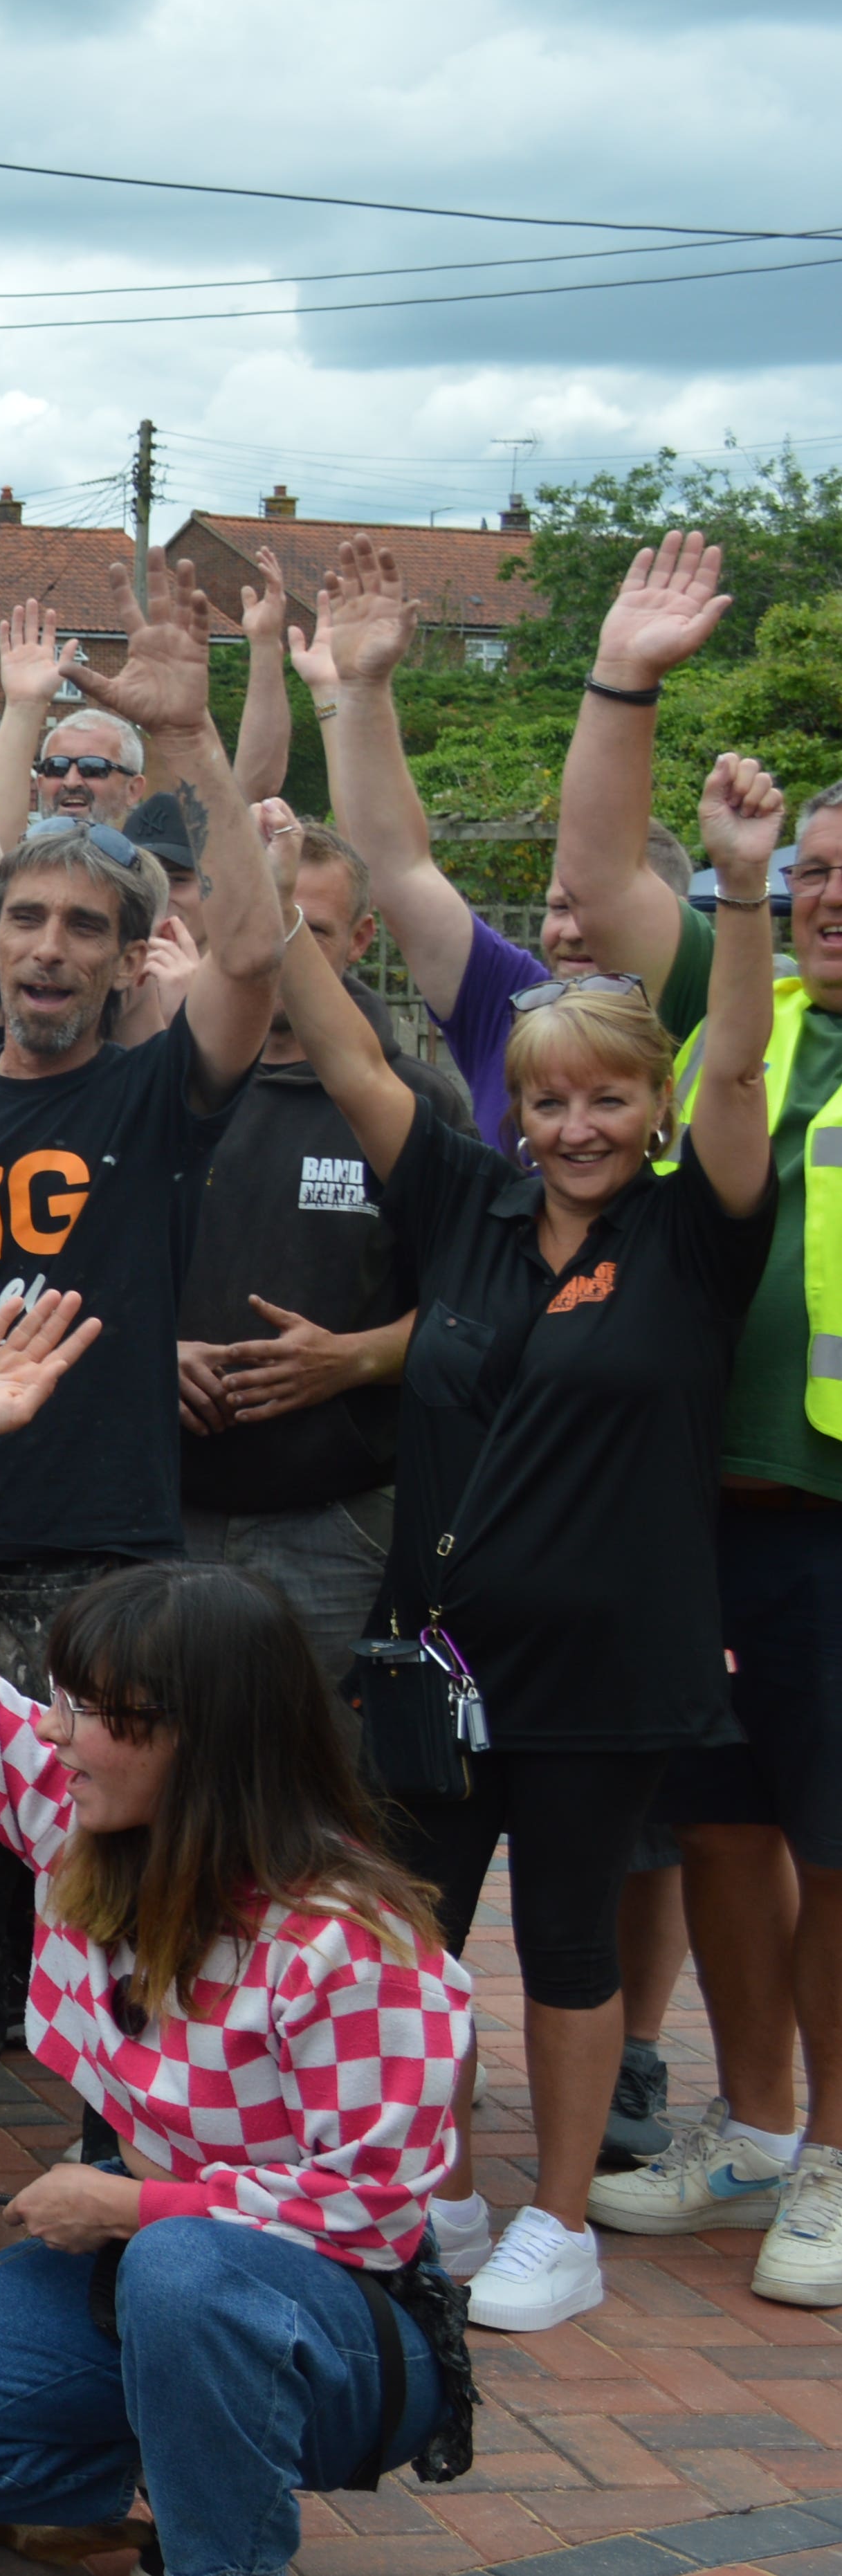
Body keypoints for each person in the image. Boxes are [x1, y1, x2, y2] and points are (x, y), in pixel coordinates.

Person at [0, 1292, 466, 2572]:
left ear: (197, 1743)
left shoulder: (354, 1942)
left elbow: (373, 2209)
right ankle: (172, 2453)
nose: (56, 1731)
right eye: (62, 1700)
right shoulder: (78, 1823)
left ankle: (218, 2545)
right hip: (144, 2275)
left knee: (178, 2272)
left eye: (97, 1712)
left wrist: (133, 2201)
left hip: (322, 2315)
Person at [280, 749, 787, 2330]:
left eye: (607, 1098)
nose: (573, 1124)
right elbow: (345, 1038)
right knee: (410, 1935)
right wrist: (240, 847)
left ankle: (554, 2228)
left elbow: (738, 1070)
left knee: (567, 1935)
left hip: (603, 1664)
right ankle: (427, 2185)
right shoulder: (465, 1206)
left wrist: (750, 891)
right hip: (435, 1657)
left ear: (650, 1107)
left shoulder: (694, 1234)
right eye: (547, 1097)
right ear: (512, 1100)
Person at [0, 565, 287, 2254]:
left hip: (103, 1577)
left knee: (128, 1924)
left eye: (84, 928)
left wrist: (182, 729)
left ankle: (135, 2225)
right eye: (25, 917)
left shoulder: (153, 1095)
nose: (46, 946)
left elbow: (252, 949)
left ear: (123, 960)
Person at [545, 552, 842, 2303]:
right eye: (813, 875)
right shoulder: (751, 1024)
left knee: (840, 1848)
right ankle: (762, 2132)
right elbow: (595, 876)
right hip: (702, 1521)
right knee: (725, 1832)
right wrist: (623, 676)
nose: (824, 904)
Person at [303, 536, 715, 1155]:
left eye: (593, 913)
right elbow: (396, 870)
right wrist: (361, 690)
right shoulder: (510, 1003)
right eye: (557, 909)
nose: (572, 930)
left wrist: (626, 676)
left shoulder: (692, 1010)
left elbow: (599, 869)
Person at [175, 816, 460, 1670]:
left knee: (320, 1791)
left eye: (309, 929)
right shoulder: (156, 1086)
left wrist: (355, 1357)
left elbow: (480, 1305)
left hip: (334, 1523)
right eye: (259, 921)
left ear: (360, 940)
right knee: (163, 1790)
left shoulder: (410, 1106)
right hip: (158, 1517)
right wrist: (149, 1350)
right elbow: (72, 1275)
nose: (274, 950)